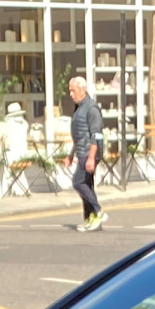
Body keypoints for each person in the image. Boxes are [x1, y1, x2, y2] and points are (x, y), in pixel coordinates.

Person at [65, 74, 103, 232]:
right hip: (82, 152)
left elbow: (96, 135)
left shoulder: (91, 108)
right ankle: (90, 218)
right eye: (70, 91)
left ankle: (98, 211)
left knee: (78, 182)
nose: (70, 94)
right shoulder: (80, 108)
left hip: (89, 153)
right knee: (87, 185)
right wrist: (71, 155)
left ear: (82, 90)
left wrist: (91, 158)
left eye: (73, 91)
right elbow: (79, 136)